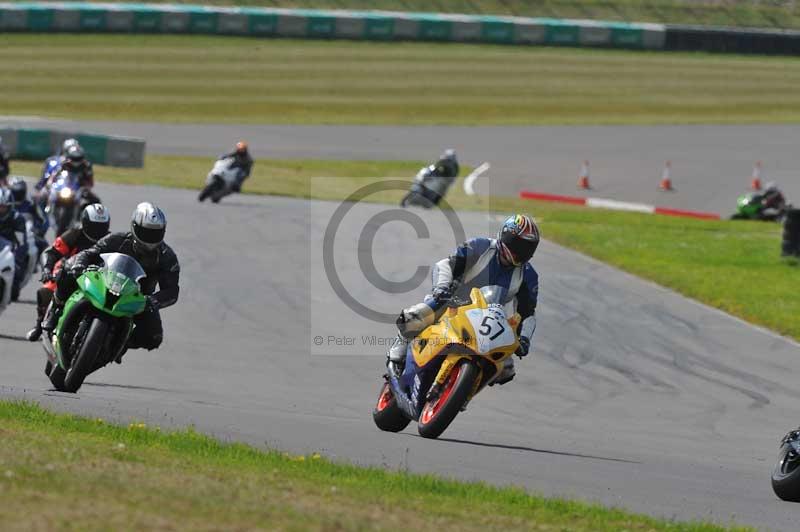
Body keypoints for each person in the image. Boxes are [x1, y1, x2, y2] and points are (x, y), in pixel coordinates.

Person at [387, 214, 540, 386]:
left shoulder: (528, 275)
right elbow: (445, 265)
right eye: (518, 244)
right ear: (505, 235)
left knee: (506, 369)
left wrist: (524, 338)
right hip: (453, 302)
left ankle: (465, 391)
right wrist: (441, 288)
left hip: (488, 319)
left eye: (528, 248)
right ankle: (399, 348)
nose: (521, 251)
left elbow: (527, 314)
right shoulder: (480, 246)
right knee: (418, 315)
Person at [42, 202, 179, 357]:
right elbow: (89, 253)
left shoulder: (167, 257)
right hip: (106, 283)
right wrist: (79, 265)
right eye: (145, 232)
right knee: (68, 268)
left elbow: (172, 290)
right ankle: (55, 309)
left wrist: (153, 300)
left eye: (155, 233)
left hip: (138, 299)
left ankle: (119, 345)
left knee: (154, 338)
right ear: (134, 227)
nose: (150, 238)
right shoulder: (117, 239)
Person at [26, 203, 110, 341]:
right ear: (85, 222)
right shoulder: (74, 234)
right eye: (94, 225)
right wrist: (47, 269)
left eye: (101, 226)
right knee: (46, 291)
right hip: (70, 273)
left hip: (98, 279)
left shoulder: (110, 240)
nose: (97, 230)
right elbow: (52, 252)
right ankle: (40, 324)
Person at [0, 187, 34, 301]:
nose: (0, 210)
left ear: (9, 206)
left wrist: (16, 260)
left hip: (9, 250)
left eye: (3, 207)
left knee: (17, 270)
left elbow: (21, 243)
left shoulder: (17, 218)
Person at [8, 176, 49, 257]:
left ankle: (45, 268)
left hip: (30, 235)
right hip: (8, 235)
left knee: (46, 248)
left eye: (19, 192)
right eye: (15, 192)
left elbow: (44, 221)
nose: (17, 195)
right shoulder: (5, 206)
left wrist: (38, 230)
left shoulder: (31, 204)